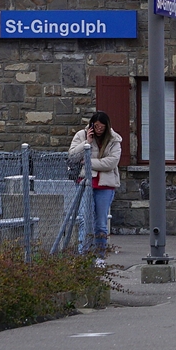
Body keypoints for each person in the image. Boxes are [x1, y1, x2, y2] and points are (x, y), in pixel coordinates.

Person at [69, 111, 121, 264]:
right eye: (96, 126)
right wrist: (87, 143)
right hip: (86, 184)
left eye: (102, 127)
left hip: (105, 185)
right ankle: (83, 255)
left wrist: (89, 162)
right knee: (85, 220)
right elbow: (72, 156)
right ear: (91, 125)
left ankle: (99, 257)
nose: (99, 130)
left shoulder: (114, 140)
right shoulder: (81, 135)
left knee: (101, 223)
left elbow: (111, 162)